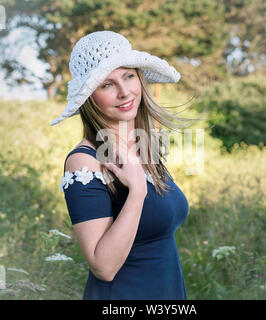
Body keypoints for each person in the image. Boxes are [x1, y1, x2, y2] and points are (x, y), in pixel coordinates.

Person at [50, 30, 197, 300]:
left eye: (128, 76)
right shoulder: (85, 161)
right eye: (107, 84)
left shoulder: (144, 147)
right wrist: (137, 192)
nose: (124, 92)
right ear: (89, 98)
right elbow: (103, 267)